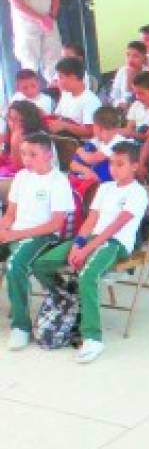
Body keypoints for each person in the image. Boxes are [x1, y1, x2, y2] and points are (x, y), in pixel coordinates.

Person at [32, 143, 148, 364]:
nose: (114, 169)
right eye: (111, 163)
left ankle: (92, 337)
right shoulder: (105, 188)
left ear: (134, 166)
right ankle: (68, 296)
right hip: (92, 238)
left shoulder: (138, 192)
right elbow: (91, 220)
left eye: (120, 164)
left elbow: (115, 226)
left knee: (88, 275)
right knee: (41, 264)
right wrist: (78, 243)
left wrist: (87, 249)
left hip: (114, 243)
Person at [1, 132, 73, 351]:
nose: (27, 159)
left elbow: (55, 224)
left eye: (33, 154)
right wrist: (4, 227)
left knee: (15, 266)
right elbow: (11, 214)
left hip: (42, 236)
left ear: (48, 155)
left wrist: (15, 235)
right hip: (17, 231)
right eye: (24, 154)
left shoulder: (58, 181)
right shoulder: (22, 177)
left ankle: (21, 326)